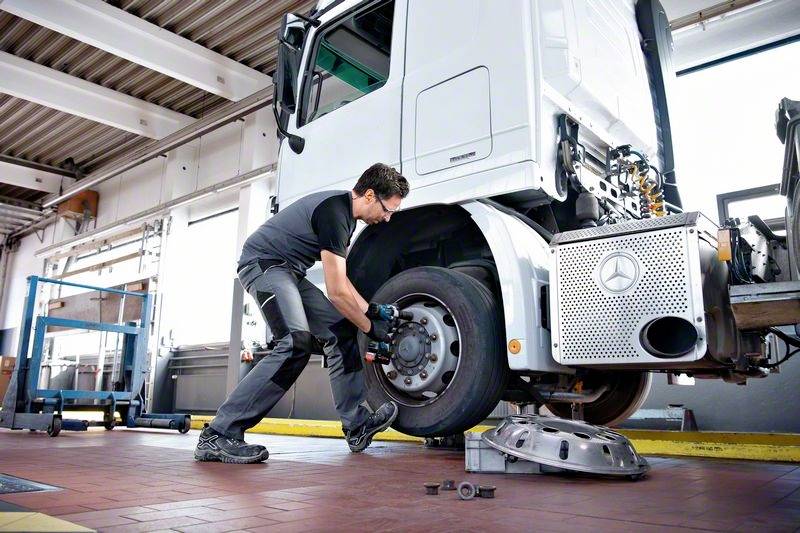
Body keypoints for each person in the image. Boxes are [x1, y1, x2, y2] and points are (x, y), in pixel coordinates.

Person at [194, 163, 410, 463]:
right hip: (264, 264)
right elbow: (336, 293)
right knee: (295, 342)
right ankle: (219, 434)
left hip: (290, 273)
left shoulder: (346, 218)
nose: (387, 218)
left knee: (341, 331)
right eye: (388, 210)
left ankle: (357, 424)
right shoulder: (335, 214)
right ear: (370, 195)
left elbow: (342, 281)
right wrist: (371, 329)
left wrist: (370, 311)